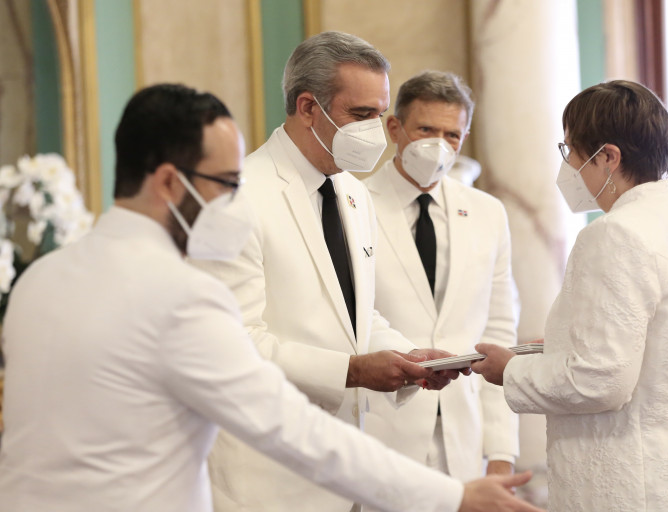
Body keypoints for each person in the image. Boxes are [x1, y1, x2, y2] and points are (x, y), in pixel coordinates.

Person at [0, 83, 543, 512]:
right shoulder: (180, 296)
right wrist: (452, 496)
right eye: (225, 182)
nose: (235, 200)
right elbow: (290, 427)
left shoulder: (40, 279)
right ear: (168, 182)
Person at [191, 32, 466, 512]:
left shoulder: (353, 193)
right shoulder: (239, 198)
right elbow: (234, 344)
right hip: (266, 476)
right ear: (307, 107)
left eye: (380, 114)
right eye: (360, 114)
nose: (375, 131)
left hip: (343, 464)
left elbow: (357, 315)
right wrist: (353, 371)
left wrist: (408, 358)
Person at [472, 80, 668, 511]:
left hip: (643, 485)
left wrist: (510, 370)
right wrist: (563, 346)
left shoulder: (614, 234)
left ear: (608, 157)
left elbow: (600, 380)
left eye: (570, 150)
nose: (569, 165)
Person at [362, 71, 520, 482]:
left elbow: (499, 329)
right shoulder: (354, 204)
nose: (439, 144)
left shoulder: (487, 212)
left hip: (463, 434)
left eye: (452, 135)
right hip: (378, 430)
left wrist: (501, 451)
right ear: (394, 129)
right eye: (426, 130)